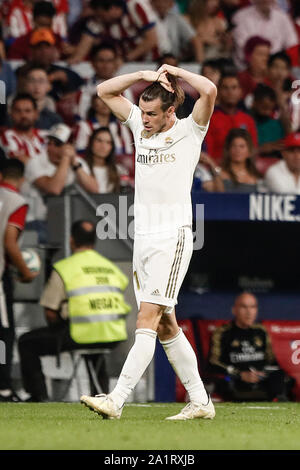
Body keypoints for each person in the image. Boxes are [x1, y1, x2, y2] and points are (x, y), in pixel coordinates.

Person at [81, 62, 217, 420]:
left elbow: (210, 91)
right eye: (141, 111)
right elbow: (104, 91)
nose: (144, 119)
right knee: (167, 324)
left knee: (147, 316)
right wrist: (143, 75)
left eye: (152, 113)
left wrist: (176, 70)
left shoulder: (191, 130)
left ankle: (116, 399)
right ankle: (201, 402)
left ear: (171, 110)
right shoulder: (140, 128)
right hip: (143, 238)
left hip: (172, 238)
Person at [18, 220, 131, 402]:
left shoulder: (66, 268)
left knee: (26, 342)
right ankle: (101, 396)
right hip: (113, 335)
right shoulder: (110, 268)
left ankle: (38, 396)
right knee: (95, 345)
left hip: (80, 333)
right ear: (94, 241)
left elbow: (50, 312)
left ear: (71, 240)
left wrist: (59, 329)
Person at [208, 292, 293, 401]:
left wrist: (264, 373)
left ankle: (280, 400)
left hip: (261, 380)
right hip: (237, 380)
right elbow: (213, 363)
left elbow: (271, 361)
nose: (249, 312)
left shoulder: (261, 331)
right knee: (225, 382)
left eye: (253, 307)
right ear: (234, 310)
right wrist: (240, 374)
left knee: (281, 376)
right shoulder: (223, 332)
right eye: (244, 307)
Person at [0, 159, 37, 402]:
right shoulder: (16, 201)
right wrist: (25, 272)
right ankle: (3, 388)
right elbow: (10, 242)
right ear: (21, 179)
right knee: (4, 334)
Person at [68, 0, 159, 64]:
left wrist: (125, 59)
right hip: (129, 65)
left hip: (152, 61)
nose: (99, 18)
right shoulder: (100, 19)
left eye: (101, 15)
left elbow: (151, 39)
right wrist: (74, 60)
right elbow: (86, 42)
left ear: (113, 8)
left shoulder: (135, 6)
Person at [204, 73, 258, 164]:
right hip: (217, 169)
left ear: (240, 92)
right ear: (218, 91)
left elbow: (252, 150)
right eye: (225, 88)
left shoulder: (248, 120)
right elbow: (208, 153)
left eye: (234, 88)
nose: (230, 92)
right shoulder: (209, 119)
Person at [232, 0, 299, 70]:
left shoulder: (282, 17)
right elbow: (243, 50)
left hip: (276, 67)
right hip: (247, 67)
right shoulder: (240, 17)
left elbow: (292, 45)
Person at [84, 127, 131, 193]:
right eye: (99, 141)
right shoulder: (81, 166)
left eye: (108, 142)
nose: (103, 146)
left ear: (112, 147)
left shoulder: (119, 170)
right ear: (91, 142)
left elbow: (124, 198)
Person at [220, 128, 262, 192]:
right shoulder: (219, 174)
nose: (237, 150)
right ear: (228, 150)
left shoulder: (257, 177)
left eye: (242, 146)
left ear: (249, 151)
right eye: (234, 146)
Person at [251, 84, 286, 157]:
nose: (267, 112)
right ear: (254, 102)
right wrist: (261, 149)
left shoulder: (276, 125)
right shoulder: (244, 120)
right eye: (264, 107)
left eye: (271, 109)